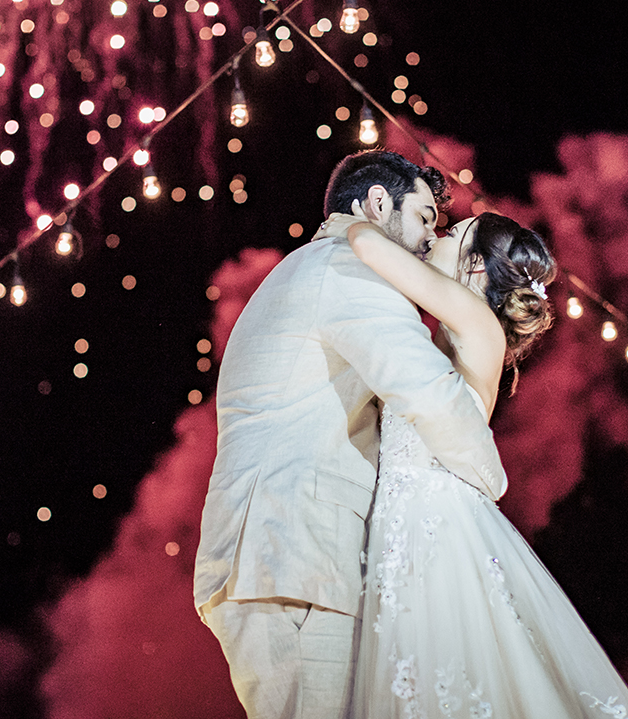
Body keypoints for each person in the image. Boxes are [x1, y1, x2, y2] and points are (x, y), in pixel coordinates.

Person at [194, 151, 507, 719]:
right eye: (424, 219)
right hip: (292, 561)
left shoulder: (310, 266)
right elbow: (430, 393)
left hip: (284, 559)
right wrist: (486, 488)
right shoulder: (350, 272)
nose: (426, 241)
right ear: (377, 204)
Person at [315, 209, 628, 719]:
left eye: (450, 233)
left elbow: (371, 246)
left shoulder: (473, 317)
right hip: (408, 521)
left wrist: (356, 219)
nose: (436, 236)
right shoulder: (456, 328)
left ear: (475, 268)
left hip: (435, 524)